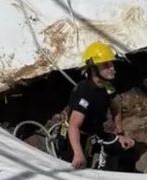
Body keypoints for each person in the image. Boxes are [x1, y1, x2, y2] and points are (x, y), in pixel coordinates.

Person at [58, 41, 139, 172]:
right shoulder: (85, 92)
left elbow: (115, 108)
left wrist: (119, 132)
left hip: (95, 134)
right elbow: (74, 126)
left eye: (111, 64)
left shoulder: (107, 87)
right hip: (75, 140)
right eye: (106, 65)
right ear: (93, 68)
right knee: (80, 170)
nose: (112, 68)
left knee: (128, 147)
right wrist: (78, 154)